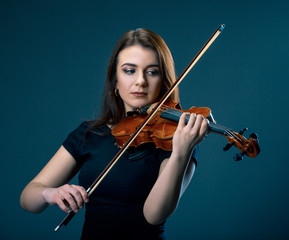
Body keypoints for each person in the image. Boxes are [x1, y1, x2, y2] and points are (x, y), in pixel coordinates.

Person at [20, 28, 209, 239]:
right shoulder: (90, 134)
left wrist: (181, 153)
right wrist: (50, 193)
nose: (141, 81)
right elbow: (28, 198)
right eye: (129, 70)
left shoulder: (177, 140)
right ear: (115, 81)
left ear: (164, 82)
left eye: (152, 72)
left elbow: (154, 215)